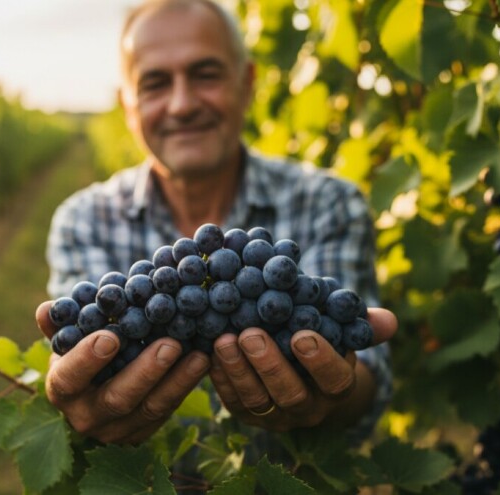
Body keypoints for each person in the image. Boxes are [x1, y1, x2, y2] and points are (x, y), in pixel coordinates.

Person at [34, 0, 397, 447]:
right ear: (127, 103)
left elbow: (362, 372)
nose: (182, 104)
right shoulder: (82, 220)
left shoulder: (330, 202)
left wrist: (340, 396)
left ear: (247, 85)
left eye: (205, 74)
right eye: (155, 83)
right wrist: (80, 401)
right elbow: (87, 346)